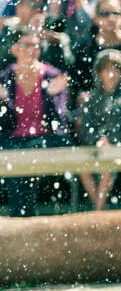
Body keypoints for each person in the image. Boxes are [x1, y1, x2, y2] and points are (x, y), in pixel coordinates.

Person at [0, 26, 73, 216]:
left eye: (36, 46)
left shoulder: (53, 76)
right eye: (26, 45)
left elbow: (58, 120)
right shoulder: (5, 78)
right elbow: (5, 123)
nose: (32, 50)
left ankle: (23, 218)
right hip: (15, 139)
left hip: (48, 138)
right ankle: (23, 217)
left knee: (21, 155)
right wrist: (3, 100)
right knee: (13, 153)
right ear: (14, 49)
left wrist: (49, 95)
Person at [77, 49, 121, 210]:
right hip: (95, 147)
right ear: (99, 73)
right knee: (83, 168)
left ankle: (98, 211)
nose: (111, 74)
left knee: (107, 167)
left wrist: (112, 139)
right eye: (106, 69)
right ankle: (100, 207)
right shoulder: (91, 98)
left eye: (115, 69)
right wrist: (97, 139)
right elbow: (86, 127)